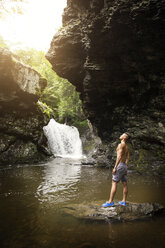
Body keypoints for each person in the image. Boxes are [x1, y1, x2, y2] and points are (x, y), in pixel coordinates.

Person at [102, 133, 130, 207]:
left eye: (122, 134)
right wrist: (125, 166)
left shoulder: (121, 145)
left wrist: (115, 167)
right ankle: (123, 201)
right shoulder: (127, 146)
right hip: (124, 165)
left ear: (124, 137)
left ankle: (110, 202)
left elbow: (119, 156)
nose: (120, 135)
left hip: (120, 165)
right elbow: (128, 158)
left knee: (114, 182)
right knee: (124, 183)